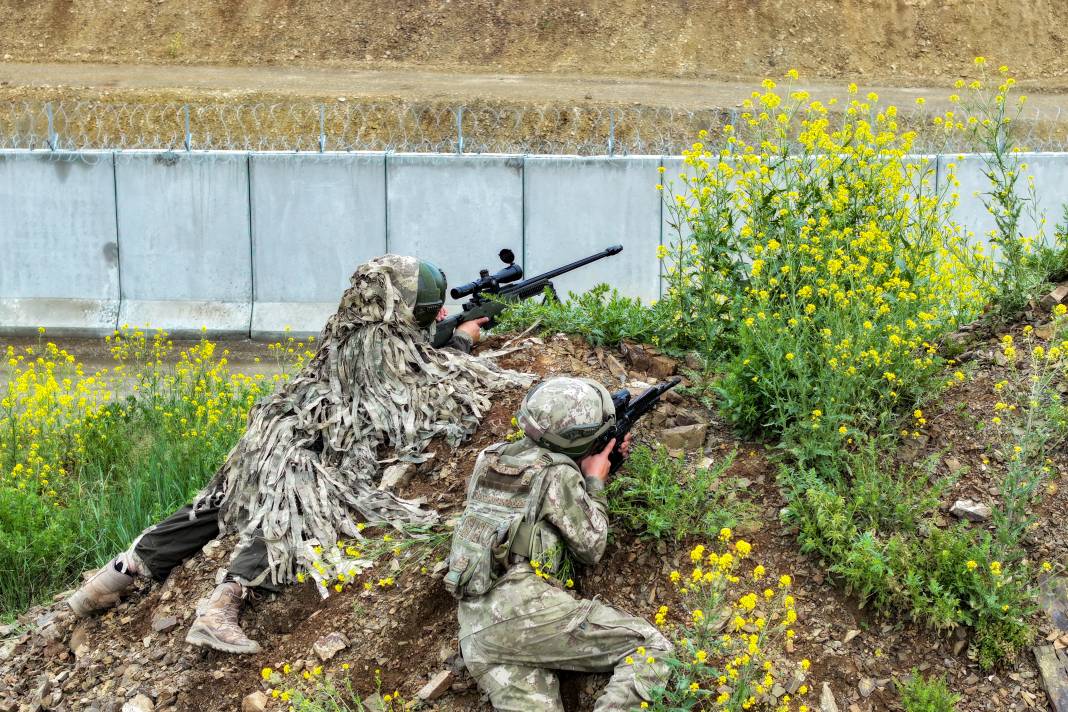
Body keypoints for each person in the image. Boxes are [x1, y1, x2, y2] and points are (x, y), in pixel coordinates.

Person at [67, 255, 528, 654]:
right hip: (302, 446)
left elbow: (405, 354)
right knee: (293, 511)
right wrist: (463, 339)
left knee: (221, 502)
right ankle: (223, 605)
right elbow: (421, 388)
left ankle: (111, 580)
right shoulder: (381, 345)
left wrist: (443, 332)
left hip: (271, 431)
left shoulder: (349, 332)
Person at [444, 376, 673, 711]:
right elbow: (592, 546)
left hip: (476, 630)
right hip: (525, 611)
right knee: (650, 647)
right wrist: (594, 480)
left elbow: (523, 509)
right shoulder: (558, 474)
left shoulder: (489, 458)